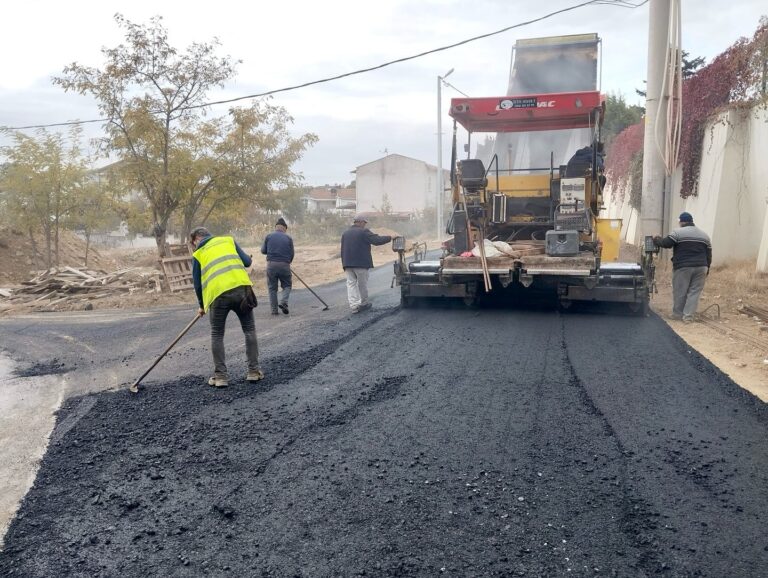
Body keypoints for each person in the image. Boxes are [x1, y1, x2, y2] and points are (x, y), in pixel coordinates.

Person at [191, 226, 263, 387]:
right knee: (249, 329)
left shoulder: (198, 253)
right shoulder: (228, 240)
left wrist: (202, 305)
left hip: (217, 296)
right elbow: (247, 262)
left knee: (217, 334)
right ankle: (253, 372)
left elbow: (197, 284)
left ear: (196, 239)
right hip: (241, 290)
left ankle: (221, 377)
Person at [653, 212, 712, 322]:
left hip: (683, 267)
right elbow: (709, 254)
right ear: (691, 221)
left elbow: (666, 244)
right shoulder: (705, 235)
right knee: (694, 292)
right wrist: (707, 268)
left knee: (680, 291)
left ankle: (677, 315)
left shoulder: (678, 232)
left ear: (682, 221)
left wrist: (656, 239)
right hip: (702, 267)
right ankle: (688, 317)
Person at [340, 214, 393, 313]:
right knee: (362, 284)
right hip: (360, 263)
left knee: (351, 284)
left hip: (347, 263)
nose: (365, 225)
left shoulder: (345, 233)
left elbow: (342, 249)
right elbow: (377, 240)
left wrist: (344, 263)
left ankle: (354, 306)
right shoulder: (363, 232)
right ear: (359, 222)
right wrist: (390, 237)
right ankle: (364, 303)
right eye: (364, 222)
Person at [261, 217, 294, 315]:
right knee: (287, 285)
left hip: (271, 265)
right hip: (284, 265)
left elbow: (263, 251)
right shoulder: (288, 238)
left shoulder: (269, 236)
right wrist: (287, 262)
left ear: (276, 227)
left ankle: (274, 311)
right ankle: (284, 301)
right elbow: (292, 254)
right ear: (284, 228)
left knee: (272, 288)